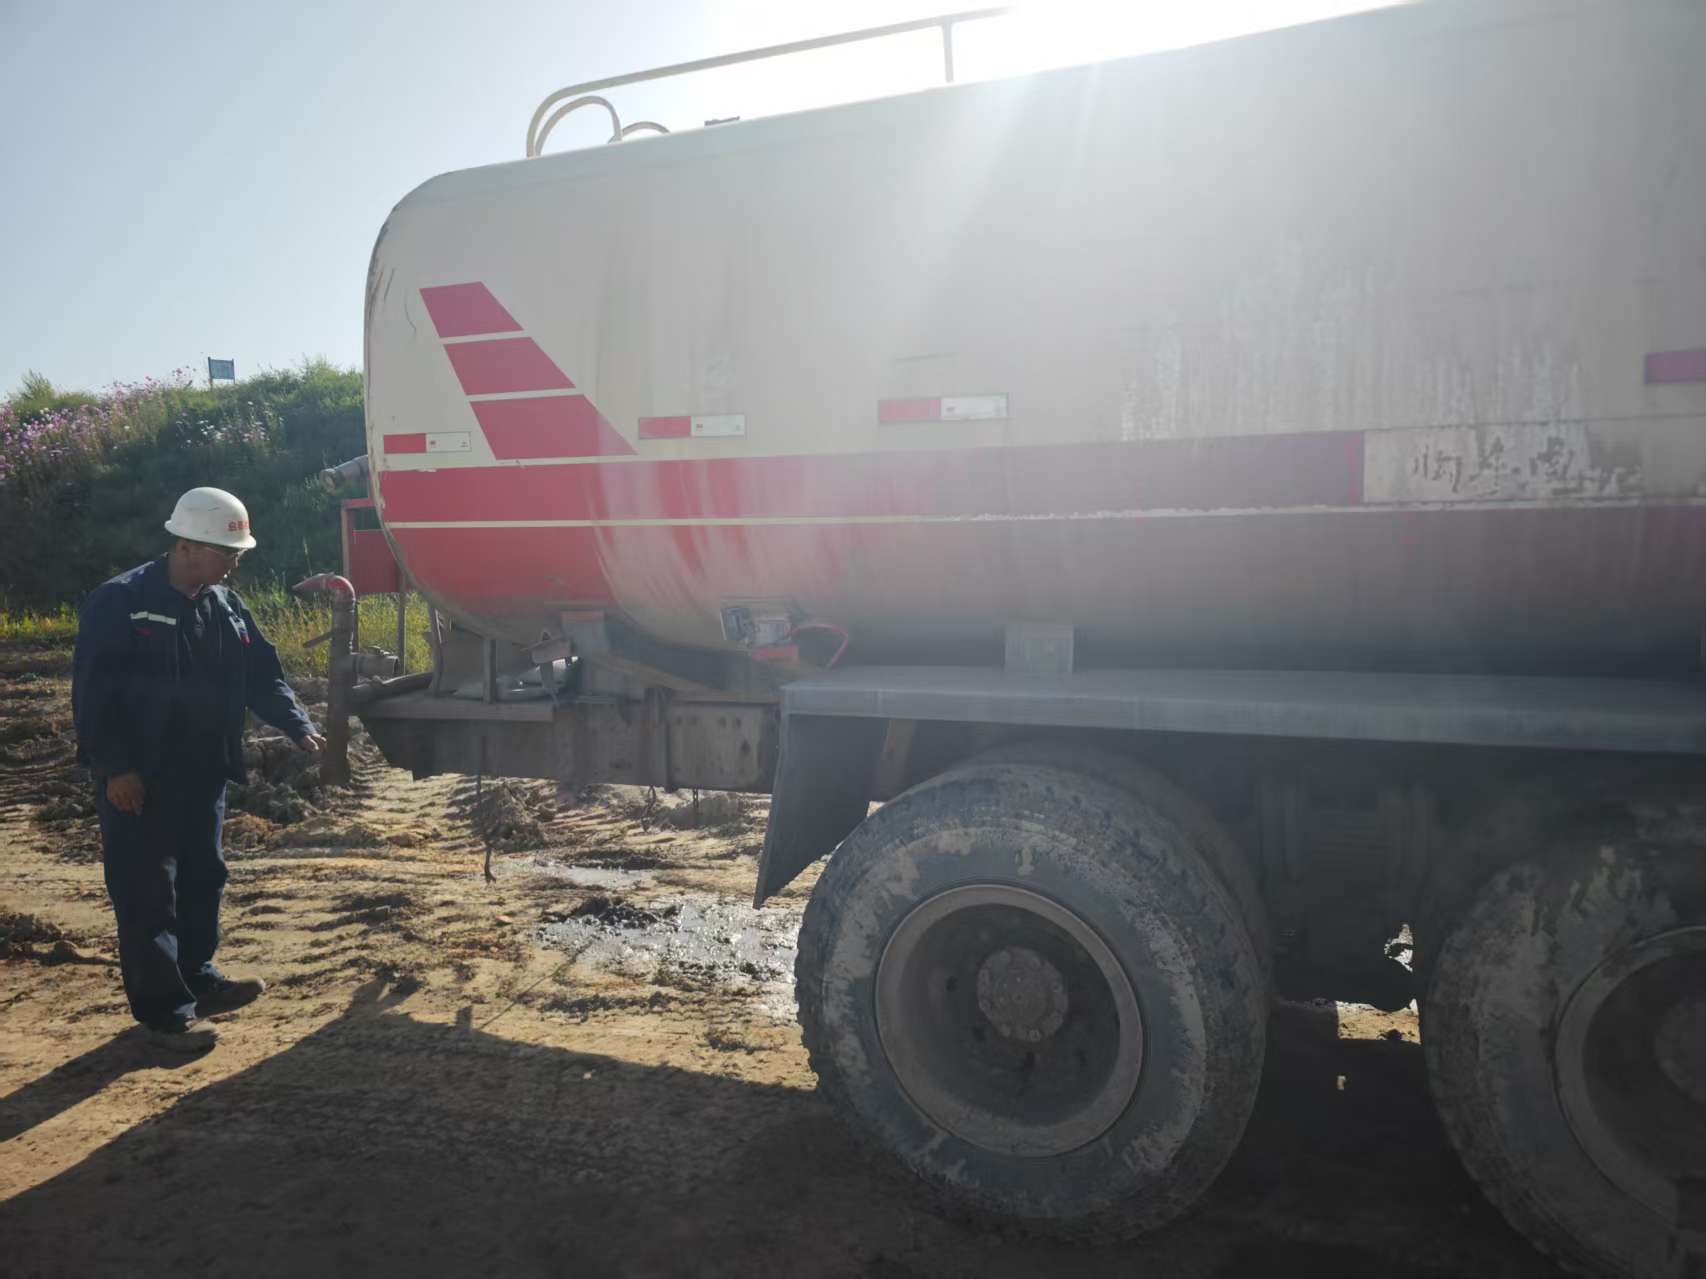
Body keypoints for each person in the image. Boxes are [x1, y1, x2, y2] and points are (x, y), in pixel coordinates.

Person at [71, 487, 325, 1052]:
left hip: (203, 772)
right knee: (147, 894)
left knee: (202, 878)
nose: (234, 563)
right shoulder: (121, 602)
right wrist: (117, 770)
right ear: (187, 546)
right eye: (226, 553)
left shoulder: (224, 603)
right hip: (141, 778)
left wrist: (296, 723)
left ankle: (199, 979)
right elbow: (94, 696)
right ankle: (164, 1017)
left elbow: (262, 673)